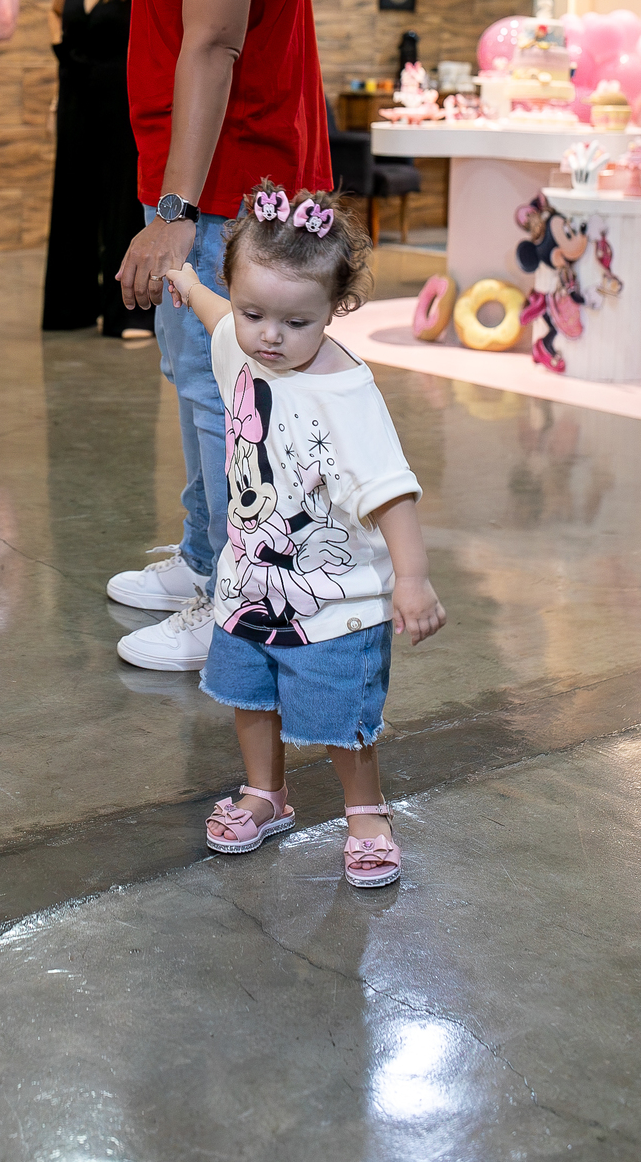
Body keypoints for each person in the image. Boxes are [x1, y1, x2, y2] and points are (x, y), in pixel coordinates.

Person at [67, 0, 331, 669]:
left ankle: (238, 598)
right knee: (197, 378)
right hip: (189, 173)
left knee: (233, 398)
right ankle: (200, 554)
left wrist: (174, 210)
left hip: (234, 182)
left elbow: (214, 43)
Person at [164, 182, 445, 884]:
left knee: (339, 714)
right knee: (250, 696)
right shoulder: (242, 341)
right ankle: (266, 794)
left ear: (336, 308)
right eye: (254, 312)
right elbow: (216, 316)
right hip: (248, 583)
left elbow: (391, 491)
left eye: (296, 322)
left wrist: (411, 579)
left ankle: (366, 813)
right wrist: (186, 284)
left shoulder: (345, 392)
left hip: (336, 599)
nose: (270, 336)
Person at [42, 0, 154, 341]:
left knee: (120, 203)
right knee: (72, 199)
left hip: (121, 103)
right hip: (74, 99)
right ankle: (72, 309)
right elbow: (55, 14)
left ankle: (128, 314)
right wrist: (58, 83)